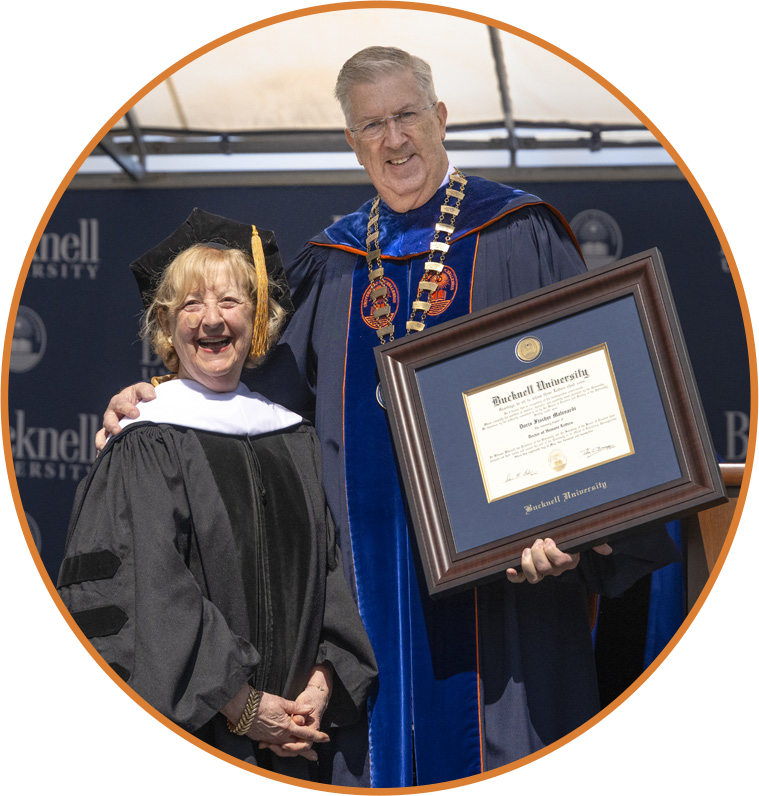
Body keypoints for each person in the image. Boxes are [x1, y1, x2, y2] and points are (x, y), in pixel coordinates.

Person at [100, 48, 680, 787]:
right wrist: (159, 402)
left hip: (505, 592)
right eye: (372, 124)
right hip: (368, 590)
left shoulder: (517, 233)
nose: (394, 138)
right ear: (352, 141)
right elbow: (254, 405)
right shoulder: (333, 263)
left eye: (407, 115)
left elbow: (595, 399)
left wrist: (574, 529)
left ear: (440, 118)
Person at [59, 209, 377, 782]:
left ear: (257, 318)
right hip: (198, 729)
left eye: (230, 301)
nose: (211, 320)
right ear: (166, 325)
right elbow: (144, 591)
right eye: (190, 304)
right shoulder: (146, 439)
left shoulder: (294, 437)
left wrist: (319, 686)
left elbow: (331, 574)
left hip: (300, 743)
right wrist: (243, 706)